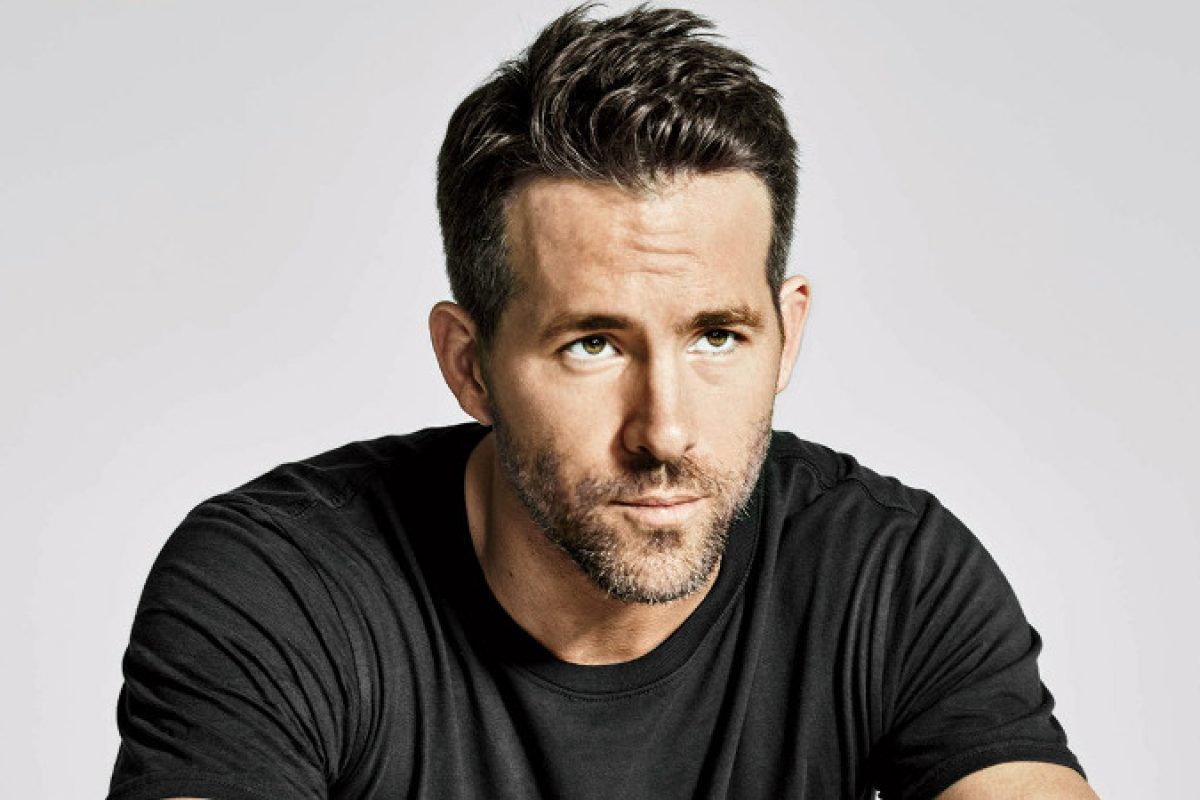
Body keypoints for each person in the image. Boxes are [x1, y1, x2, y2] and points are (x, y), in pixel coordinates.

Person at [108, 5, 1098, 799]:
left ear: (786, 334)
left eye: (717, 336)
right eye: (592, 344)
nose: (664, 430)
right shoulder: (279, 588)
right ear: (470, 365)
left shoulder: (891, 577)